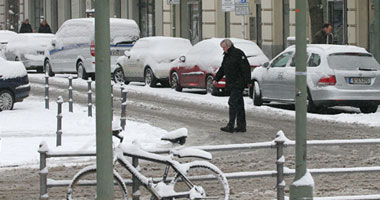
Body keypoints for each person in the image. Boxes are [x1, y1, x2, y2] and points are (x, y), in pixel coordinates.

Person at [213, 39, 251, 133]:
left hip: (239, 83)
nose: (223, 49)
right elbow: (223, 68)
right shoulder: (226, 56)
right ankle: (241, 126)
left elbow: (245, 68)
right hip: (232, 82)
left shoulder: (238, 54)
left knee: (232, 102)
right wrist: (216, 78)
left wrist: (248, 81)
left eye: (224, 47)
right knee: (239, 104)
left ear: (228, 46)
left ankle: (231, 125)